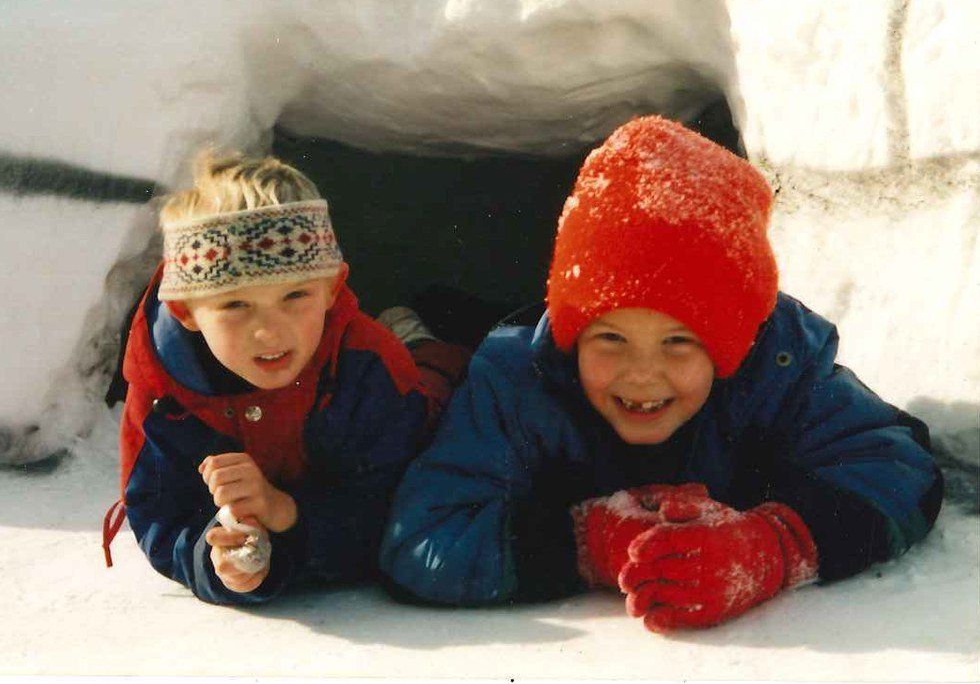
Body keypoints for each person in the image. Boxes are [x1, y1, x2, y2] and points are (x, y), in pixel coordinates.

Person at [379, 115, 944, 631]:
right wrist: (585, 541)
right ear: (573, 334)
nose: (642, 376)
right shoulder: (517, 380)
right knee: (439, 361)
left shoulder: (775, 366)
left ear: (730, 347)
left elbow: (897, 465)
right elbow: (420, 539)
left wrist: (774, 546)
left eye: (679, 342)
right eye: (610, 338)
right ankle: (421, 331)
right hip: (477, 344)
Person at [102, 150, 466, 605]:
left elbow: (398, 510)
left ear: (333, 288)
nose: (270, 331)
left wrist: (284, 512)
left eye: (295, 295)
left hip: (421, 391)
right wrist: (222, 560)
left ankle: (417, 332)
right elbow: (160, 516)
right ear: (185, 311)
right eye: (235, 305)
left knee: (443, 370)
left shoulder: (371, 364)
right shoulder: (163, 394)